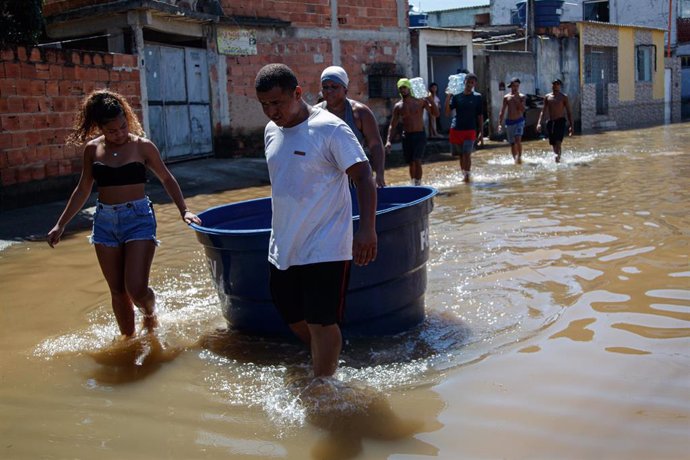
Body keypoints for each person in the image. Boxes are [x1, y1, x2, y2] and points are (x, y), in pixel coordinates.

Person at [254, 63, 377, 377]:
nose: (271, 111)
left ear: (297, 93)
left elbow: (363, 176)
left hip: (327, 244)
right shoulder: (271, 130)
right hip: (283, 242)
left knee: (322, 320)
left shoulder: (330, 128)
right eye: (264, 105)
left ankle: (324, 384)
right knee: (291, 314)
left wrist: (366, 229)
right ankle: (328, 356)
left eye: (277, 103)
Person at [47, 89, 201, 338]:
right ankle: (128, 341)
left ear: (126, 119)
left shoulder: (143, 147)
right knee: (118, 290)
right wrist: (60, 224)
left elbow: (166, 178)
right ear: (100, 128)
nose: (118, 134)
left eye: (122, 127)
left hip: (138, 219)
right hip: (105, 221)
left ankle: (150, 315)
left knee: (136, 289)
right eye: (111, 130)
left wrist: (184, 210)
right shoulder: (92, 150)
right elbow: (83, 189)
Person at [318, 65, 386, 187]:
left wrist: (379, 174)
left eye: (334, 87)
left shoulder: (360, 113)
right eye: (325, 87)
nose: (329, 91)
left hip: (355, 176)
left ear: (345, 90)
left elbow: (375, 144)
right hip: (326, 178)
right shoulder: (315, 114)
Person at [384, 78, 439, 186]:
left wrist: (430, 99)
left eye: (404, 87)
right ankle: (413, 183)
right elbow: (393, 124)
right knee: (411, 162)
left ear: (409, 88)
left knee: (417, 160)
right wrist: (388, 141)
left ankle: (418, 184)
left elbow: (435, 114)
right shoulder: (398, 106)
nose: (403, 90)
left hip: (419, 135)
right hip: (407, 136)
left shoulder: (420, 101)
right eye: (400, 88)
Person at [444, 72, 483, 182]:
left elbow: (480, 115)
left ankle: (467, 176)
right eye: (468, 82)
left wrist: (481, 133)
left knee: (467, 154)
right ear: (464, 82)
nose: (469, 84)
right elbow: (447, 113)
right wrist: (448, 97)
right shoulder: (457, 97)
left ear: (475, 84)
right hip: (456, 129)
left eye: (472, 82)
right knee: (461, 155)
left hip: (470, 129)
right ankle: (464, 175)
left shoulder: (477, 97)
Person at [536, 78, 574, 163]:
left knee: (558, 142)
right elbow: (543, 111)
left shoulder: (563, 97)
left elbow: (569, 112)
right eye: (554, 84)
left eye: (557, 84)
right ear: (552, 85)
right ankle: (556, 158)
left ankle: (558, 160)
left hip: (560, 121)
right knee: (553, 144)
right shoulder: (547, 97)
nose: (555, 86)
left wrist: (571, 126)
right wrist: (539, 123)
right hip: (551, 122)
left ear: (560, 86)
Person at [498, 77, 526, 164]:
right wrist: (499, 124)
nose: (515, 88)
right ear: (511, 86)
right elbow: (502, 111)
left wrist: (517, 99)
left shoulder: (522, 97)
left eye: (517, 86)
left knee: (518, 140)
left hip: (519, 121)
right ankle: (515, 160)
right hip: (510, 122)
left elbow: (523, 109)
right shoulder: (506, 97)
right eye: (514, 86)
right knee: (512, 143)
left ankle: (520, 158)